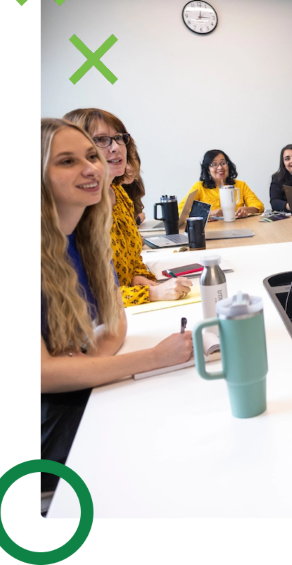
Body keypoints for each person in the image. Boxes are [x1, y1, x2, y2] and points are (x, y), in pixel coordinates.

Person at [39, 118, 194, 492]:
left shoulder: (87, 239)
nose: (91, 167)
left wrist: (91, 365)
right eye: (67, 161)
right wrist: (153, 359)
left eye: (91, 156)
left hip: (74, 392)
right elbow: (43, 374)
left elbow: (116, 323)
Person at [64, 108, 192, 306]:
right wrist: (152, 294)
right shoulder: (74, 212)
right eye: (101, 139)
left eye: (118, 137)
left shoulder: (119, 193)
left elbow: (132, 259)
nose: (116, 147)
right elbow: (84, 296)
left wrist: (136, 276)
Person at [182, 150, 264, 218]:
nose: (220, 167)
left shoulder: (240, 185)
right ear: (208, 170)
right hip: (211, 230)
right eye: (214, 164)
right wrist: (210, 212)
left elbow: (259, 206)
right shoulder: (199, 187)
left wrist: (247, 210)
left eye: (223, 163)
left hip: (237, 226)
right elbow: (181, 210)